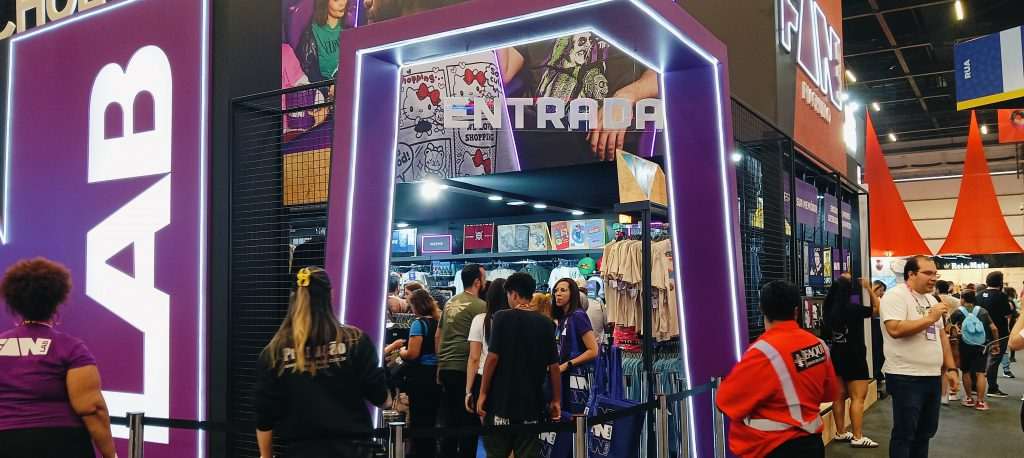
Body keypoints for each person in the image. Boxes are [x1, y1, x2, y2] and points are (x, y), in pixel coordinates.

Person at [256, 267, 389, 458]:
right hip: (353, 450)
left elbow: (264, 416)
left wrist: (265, 455)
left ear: (294, 297)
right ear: (330, 295)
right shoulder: (355, 341)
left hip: (300, 451)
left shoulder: (274, 353)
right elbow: (381, 398)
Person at [0, 258, 117, 458]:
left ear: (15, 303)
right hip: (62, 443)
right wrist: (110, 455)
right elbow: (91, 407)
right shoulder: (71, 348)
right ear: (56, 301)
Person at [717, 280, 840, 457]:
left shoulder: (762, 352)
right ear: (796, 311)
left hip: (772, 447)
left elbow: (725, 402)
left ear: (762, 310)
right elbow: (829, 393)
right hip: (812, 445)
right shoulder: (819, 345)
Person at [477, 272, 561, 458]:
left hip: (501, 402)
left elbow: (492, 358)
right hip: (532, 404)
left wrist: (482, 393)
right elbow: (554, 367)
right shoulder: (547, 324)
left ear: (513, 294)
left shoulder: (502, 317)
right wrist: (556, 399)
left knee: (496, 452)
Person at [879, 256, 955, 458]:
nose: (934, 278)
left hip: (932, 376)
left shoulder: (931, 299)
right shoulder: (895, 296)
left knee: (925, 433)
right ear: (911, 274)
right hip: (906, 376)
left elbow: (941, 336)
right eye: (928, 273)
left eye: (935, 273)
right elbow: (895, 329)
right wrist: (930, 317)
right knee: (905, 434)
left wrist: (951, 368)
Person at [436, 264, 487, 458]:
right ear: (477, 282)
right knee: (468, 420)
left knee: (450, 419)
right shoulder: (480, 306)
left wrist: (440, 364)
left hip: (446, 367)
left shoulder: (450, 302)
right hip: (465, 368)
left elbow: (438, 335)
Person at [822, 274, 879, 448]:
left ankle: (840, 432)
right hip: (855, 356)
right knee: (857, 398)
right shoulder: (853, 309)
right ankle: (857, 436)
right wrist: (868, 288)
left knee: (838, 396)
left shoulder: (828, 310)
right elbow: (877, 309)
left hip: (836, 355)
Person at [385, 289, 441, 458]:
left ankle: (420, 452)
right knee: (431, 418)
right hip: (434, 376)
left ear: (416, 306)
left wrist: (401, 351)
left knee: (418, 418)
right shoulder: (437, 322)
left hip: (420, 378)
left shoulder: (418, 324)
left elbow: (413, 354)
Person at [551, 278, 599, 414]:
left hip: (577, 377)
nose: (558, 294)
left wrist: (568, 364)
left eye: (563, 290)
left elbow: (593, 350)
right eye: (556, 290)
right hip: (564, 376)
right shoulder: (563, 318)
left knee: (577, 418)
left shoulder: (578, 316)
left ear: (572, 294)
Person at [948, 291, 998, 411]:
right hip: (981, 345)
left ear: (963, 299)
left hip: (964, 345)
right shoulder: (983, 311)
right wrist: (996, 343)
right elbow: (994, 328)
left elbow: (949, 327)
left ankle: (969, 398)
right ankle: (980, 402)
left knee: (966, 372)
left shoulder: (958, 312)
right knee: (980, 373)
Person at [465, 278, 508, 414]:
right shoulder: (514, 320)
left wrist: (468, 391)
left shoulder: (479, 320)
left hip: (483, 378)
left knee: (485, 420)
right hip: (508, 378)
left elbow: (474, 358)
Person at [976, 271, 1013, 397]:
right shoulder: (1002, 296)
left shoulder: (978, 295)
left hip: (980, 333)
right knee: (994, 360)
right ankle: (992, 388)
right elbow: (1007, 315)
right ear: (1000, 282)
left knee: (980, 359)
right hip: (999, 333)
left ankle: (976, 386)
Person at [297, 0, 349, 84]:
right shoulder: (310, 35)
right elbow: (307, 71)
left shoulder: (350, 30)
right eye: (336, 0)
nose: (342, 3)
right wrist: (326, 87)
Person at [935, 281, 962, 402]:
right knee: (950, 365)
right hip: (951, 333)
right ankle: (951, 393)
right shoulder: (956, 301)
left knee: (940, 368)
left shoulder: (933, 299)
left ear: (937, 288)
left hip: (937, 334)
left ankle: (942, 394)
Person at [1002, 286, 1019, 371]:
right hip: (1013, 322)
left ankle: (1009, 357)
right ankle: (1012, 356)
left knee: (1007, 340)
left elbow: (1009, 316)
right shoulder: (1011, 301)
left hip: (1009, 323)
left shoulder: (1008, 302)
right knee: (1011, 339)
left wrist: (1008, 327)